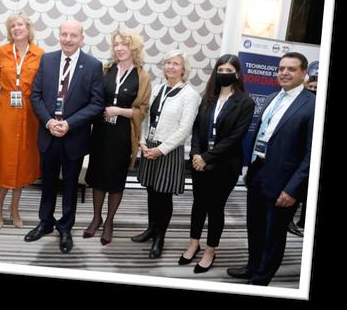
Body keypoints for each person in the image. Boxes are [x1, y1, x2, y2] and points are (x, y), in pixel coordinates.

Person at [227, 52, 315, 286]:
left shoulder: (313, 105)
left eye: (291, 69)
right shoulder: (272, 97)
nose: (284, 73)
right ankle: (252, 267)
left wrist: (293, 189)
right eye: (281, 68)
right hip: (258, 172)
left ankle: (261, 279)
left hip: (284, 181)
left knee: (273, 233)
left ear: (304, 73)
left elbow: (312, 154)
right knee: (255, 226)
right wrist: (250, 170)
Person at [27, 19, 104, 253]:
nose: (68, 39)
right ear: (59, 35)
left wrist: (69, 124)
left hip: (74, 137)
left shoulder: (93, 65)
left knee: (70, 186)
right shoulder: (47, 60)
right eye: (64, 34)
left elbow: (96, 103)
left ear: (82, 38)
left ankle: (65, 228)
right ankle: (45, 222)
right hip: (48, 133)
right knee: (47, 183)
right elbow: (36, 95)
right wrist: (49, 122)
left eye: (73, 35)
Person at [179, 54, 255, 273]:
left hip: (225, 165)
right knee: (198, 204)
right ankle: (193, 243)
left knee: (215, 208)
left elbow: (235, 137)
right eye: (220, 70)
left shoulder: (245, 102)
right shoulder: (208, 97)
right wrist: (196, 154)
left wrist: (207, 157)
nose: (224, 74)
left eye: (229, 70)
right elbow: (196, 130)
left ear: (237, 74)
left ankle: (210, 250)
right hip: (199, 162)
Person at [132, 49, 201, 259]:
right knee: (151, 192)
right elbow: (147, 118)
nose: (170, 67)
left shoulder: (190, 95)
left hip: (168, 151)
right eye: (168, 62)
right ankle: (151, 229)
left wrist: (160, 150)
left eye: (176, 63)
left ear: (184, 69)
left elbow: (184, 129)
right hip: (149, 147)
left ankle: (160, 237)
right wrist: (142, 141)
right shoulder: (158, 89)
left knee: (163, 196)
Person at [84, 29, 151, 245]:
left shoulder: (142, 76)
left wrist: (119, 111)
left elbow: (142, 110)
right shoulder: (106, 69)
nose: (119, 48)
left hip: (123, 134)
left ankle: (109, 221)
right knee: (97, 176)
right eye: (116, 44)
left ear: (134, 48)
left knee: (115, 179)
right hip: (101, 132)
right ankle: (96, 218)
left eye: (124, 44)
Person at [0, 12, 44, 229]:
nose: (16, 28)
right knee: (4, 161)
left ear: (28, 28)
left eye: (20, 24)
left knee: (23, 162)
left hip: (29, 113)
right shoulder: (1, 52)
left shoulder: (40, 55)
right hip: (5, 112)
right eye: (12, 25)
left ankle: (14, 208)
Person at [287, 74, 317, 237]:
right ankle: (289, 220)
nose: (313, 90)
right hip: (299, 157)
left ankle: (304, 221)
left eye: (316, 88)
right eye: (310, 87)